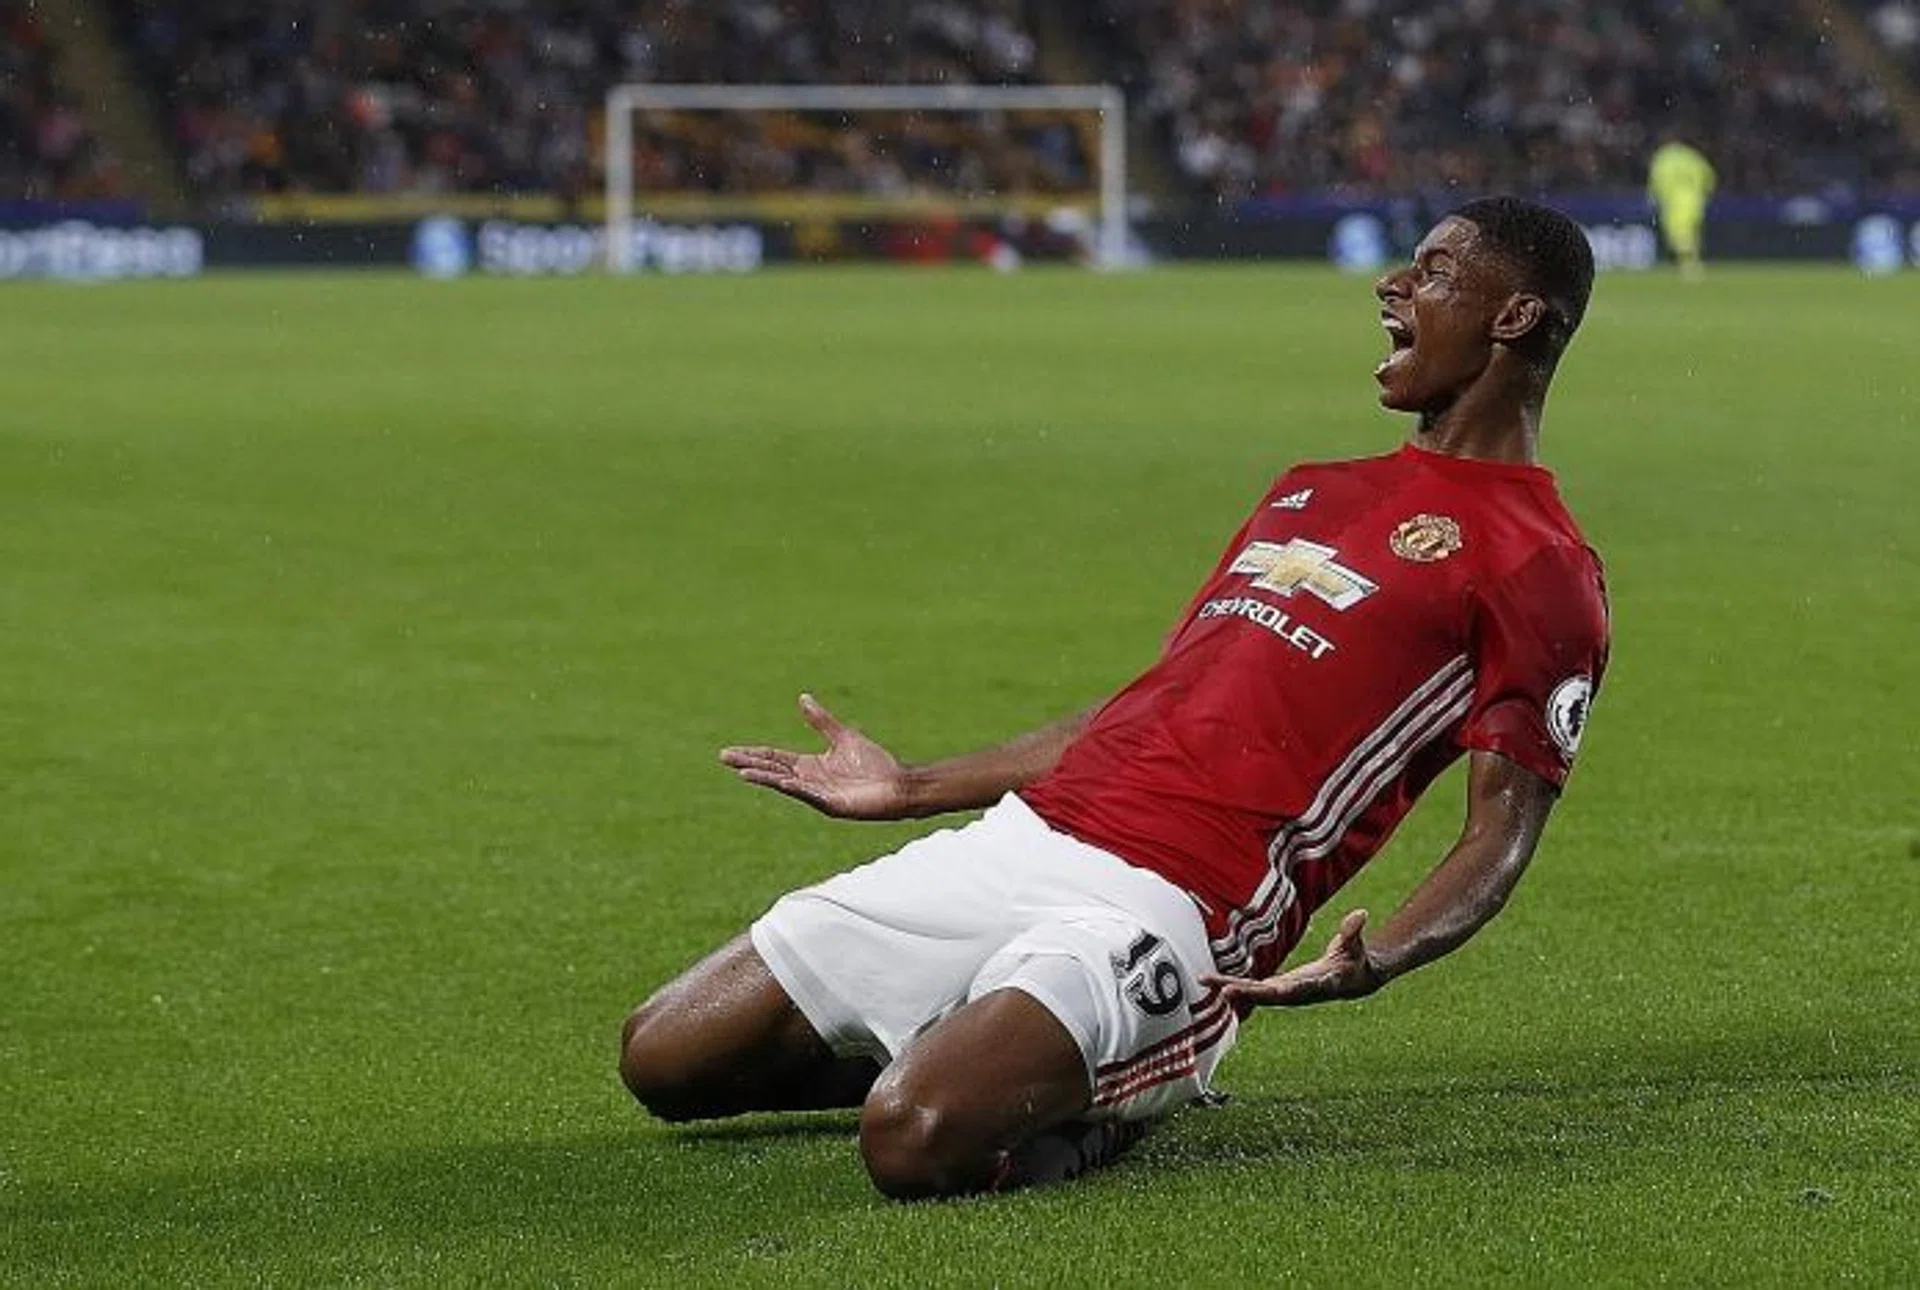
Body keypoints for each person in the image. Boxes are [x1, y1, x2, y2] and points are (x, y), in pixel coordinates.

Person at [620, 196, 1610, 1199]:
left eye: (1434, 272)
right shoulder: (1310, 488)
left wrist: (1379, 959)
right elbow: (1155, 701)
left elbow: (1503, 831)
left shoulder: (1542, 566)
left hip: (1179, 907)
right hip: (1029, 837)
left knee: (914, 1142)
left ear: (1515, 318)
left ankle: (1137, 1076)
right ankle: (1000, 1048)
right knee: (662, 1057)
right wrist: (914, 786)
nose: (1392, 286)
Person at [1648, 135, 1716, 280]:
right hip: (1695, 199)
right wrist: (1705, 194)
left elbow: (1657, 179)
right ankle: (1693, 263)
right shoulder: (1692, 156)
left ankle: (1687, 265)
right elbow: (1709, 177)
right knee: (1692, 233)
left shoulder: (1663, 157)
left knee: (1679, 233)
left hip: (1674, 201)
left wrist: (1654, 195)